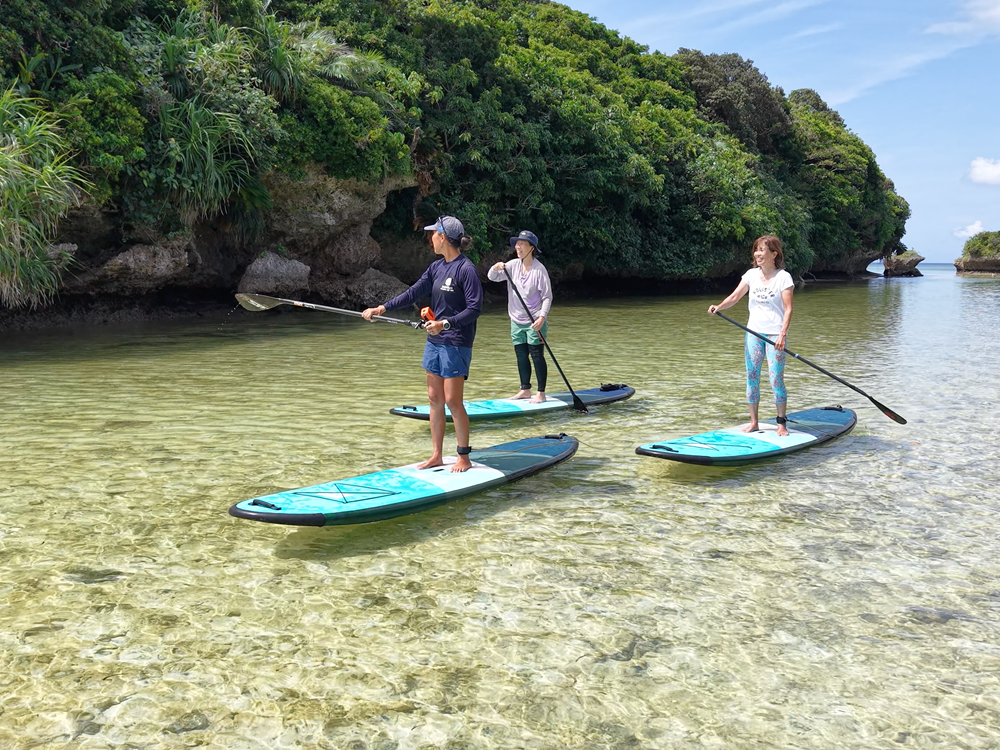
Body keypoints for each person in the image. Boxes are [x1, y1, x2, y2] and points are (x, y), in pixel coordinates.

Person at [363, 216, 483, 472]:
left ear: (443, 237)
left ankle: (463, 456)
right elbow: (413, 292)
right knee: (434, 398)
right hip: (434, 342)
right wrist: (382, 308)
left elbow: (474, 309)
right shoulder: (436, 267)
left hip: (456, 342)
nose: (430, 238)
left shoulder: (466, 269)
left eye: (433, 234)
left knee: (453, 401)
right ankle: (436, 455)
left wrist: (444, 324)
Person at [708, 235, 795, 436]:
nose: (757, 254)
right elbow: (735, 297)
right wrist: (719, 306)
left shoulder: (784, 277)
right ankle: (754, 422)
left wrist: (782, 335)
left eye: (762, 250)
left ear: (774, 254)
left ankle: (781, 423)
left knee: (775, 379)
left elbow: (788, 309)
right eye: (756, 250)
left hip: (775, 336)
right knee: (752, 376)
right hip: (753, 333)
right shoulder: (751, 275)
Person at [488, 230, 553, 404]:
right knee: (521, 355)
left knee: (536, 355)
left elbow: (547, 297)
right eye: (517, 244)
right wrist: (495, 267)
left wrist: (542, 318)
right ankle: (525, 390)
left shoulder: (539, 270)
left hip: (535, 320)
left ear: (531, 248)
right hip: (516, 319)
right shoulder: (512, 265)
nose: (518, 247)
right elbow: (492, 277)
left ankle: (541, 393)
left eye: (522, 244)